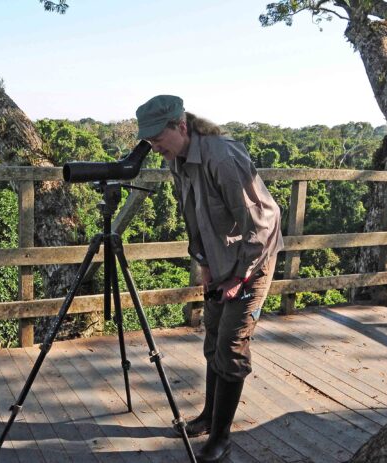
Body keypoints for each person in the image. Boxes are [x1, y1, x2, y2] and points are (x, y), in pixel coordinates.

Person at [136, 95, 283, 462]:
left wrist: (241, 276)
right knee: (213, 338)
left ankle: (221, 438)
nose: (154, 147)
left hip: (253, 260)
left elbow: (262, 223)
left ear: (181, 126)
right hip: (219, 261)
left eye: (158, 138)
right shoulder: (178, 160)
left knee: (231, 348)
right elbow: (193, 215)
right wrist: (202, 260)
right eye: (149, 141)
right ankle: (207, 416)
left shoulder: (221, 156)